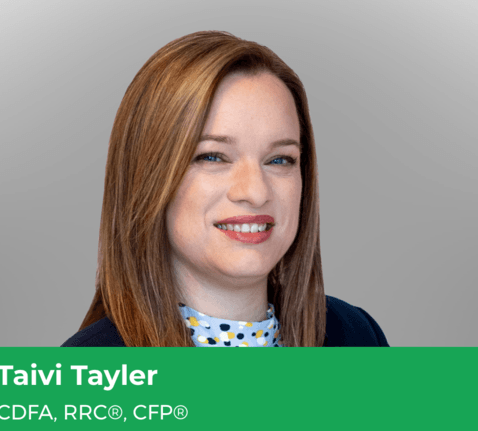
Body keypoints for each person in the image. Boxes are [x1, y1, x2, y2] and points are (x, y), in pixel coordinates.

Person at [62, 30, 389, 348]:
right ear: (148, 176)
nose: (255, 191)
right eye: (212, 156)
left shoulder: (357, 336)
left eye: (279, 160)